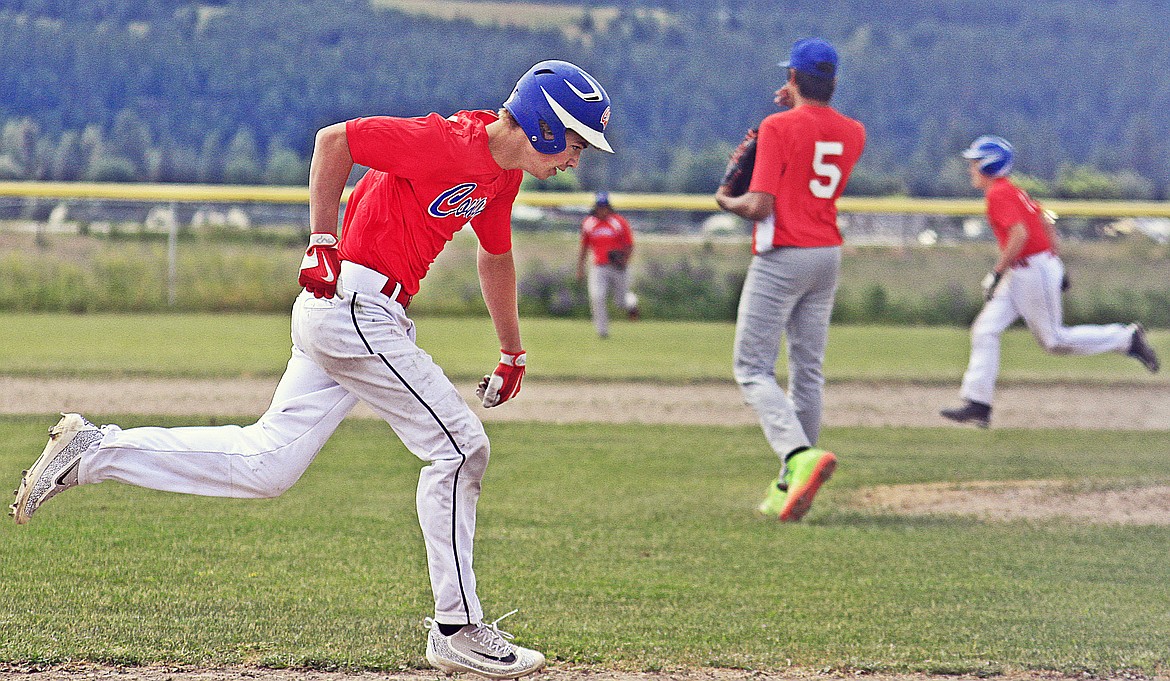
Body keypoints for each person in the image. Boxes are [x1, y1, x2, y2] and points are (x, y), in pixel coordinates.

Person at [10, 59, 614, 680]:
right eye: (575, 141)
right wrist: (320, 240)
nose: (577, 157)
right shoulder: (448, 141)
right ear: (542, 126)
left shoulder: (501, 177)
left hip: (360, 312)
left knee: (268, 464)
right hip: (353, 306)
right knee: (461, 451)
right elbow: (336, 141)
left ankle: (93, 451)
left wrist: (512, 350)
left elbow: (496, 259)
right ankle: (457, 630)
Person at [714, 38, 865, 522]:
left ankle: (798, 458)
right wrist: (795, 108)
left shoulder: (778, 125)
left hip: (784, 253)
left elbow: (758, 204)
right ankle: (792, 480)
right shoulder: (854, 131)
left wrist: (725, 201)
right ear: (834, 82)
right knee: (807, 371)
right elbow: (813, 141)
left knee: (752, 368)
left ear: (793, 78)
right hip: (827, 252)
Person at [940, 136, 1160, 428]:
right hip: (1029, 268)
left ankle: (1126, 339)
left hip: (1031, 270)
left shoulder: (999, 194)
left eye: (976, 162)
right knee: (984, 330)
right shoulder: (1011, 190)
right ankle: (978, 403)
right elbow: (1045, 221)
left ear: (991, 164)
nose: (971, 168)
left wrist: (997, 272)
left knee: (1054, 341)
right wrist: (1055, 261)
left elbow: (1019, 235)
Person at [576, 191, 638, 338]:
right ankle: (602, 331)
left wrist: (624, 260)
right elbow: (584, 247)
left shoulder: (619, 222)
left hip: (618, 267)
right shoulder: (588, 223)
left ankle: (632, 302)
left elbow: (629, 245)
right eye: (599, 206)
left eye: (604, 206)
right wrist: (580, 268)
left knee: (620, 303)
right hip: (599, 266)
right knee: (597, 297)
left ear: (609, 207)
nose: (602, 209)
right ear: (595, 207)